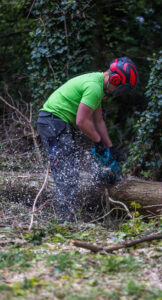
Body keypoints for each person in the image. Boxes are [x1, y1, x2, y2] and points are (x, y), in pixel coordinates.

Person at [37, 57, 138, 222]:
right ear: (115, 79)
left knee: (71, 168)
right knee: (66, 172)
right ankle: (65, 220)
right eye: (121, 87)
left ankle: (67, 215)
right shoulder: (94, 87)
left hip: (57, 122)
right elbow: (82, 121)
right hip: (52, 121)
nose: (119, 91)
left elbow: (98, 121)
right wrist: (98, 142)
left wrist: (109, 147)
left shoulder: (98, 86)